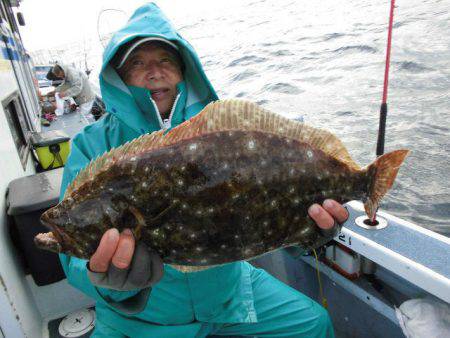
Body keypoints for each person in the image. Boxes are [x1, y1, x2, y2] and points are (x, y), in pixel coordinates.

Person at [59, 3, 349, 337]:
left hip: (231, 296)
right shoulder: (91, 146)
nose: (154, 71)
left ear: (185, 70)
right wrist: (108, 280)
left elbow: (263, 209)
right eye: (137, 63)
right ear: (118, 78)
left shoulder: (221, 134)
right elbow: (76, 252)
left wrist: (305, 235)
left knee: (314, 325)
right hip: (142, 319)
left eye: (165, 59)